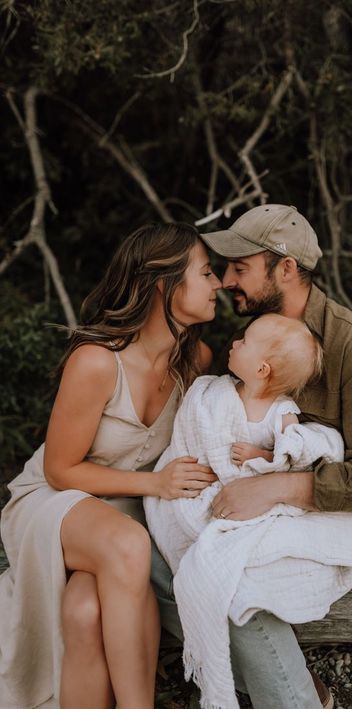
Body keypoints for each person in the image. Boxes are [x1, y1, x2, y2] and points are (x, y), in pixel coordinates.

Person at [151, 204, 352, 709]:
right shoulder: (252, 334)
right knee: (152, 552)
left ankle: (297, 701)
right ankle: (279, 683)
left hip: (323, 516)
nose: (225, 280)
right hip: (238, 502)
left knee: (232, 581)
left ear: (285, 269)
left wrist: (273, 487)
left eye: (240, 268)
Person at [0, 222, 221, 709]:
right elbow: (60, 469)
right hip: (55, 501)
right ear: (164, 285)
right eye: (206, 273)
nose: (219, 284)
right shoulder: (98, 361)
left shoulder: (195, 362)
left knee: (82, 612)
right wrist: (157, 483)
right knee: (126, 543)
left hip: (124, 508)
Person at [144, 313, 352, 709]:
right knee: (180, 556)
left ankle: (286, 692)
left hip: (263, 503)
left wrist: (262, 460)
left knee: (231, 578)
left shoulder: (281, 408)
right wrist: (198, 465)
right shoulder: (213, 393)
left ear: (262, 368)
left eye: (244, 341)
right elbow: (197, 436)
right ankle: (260, 678)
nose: (234, 343)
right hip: (212, 494)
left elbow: (290, 451)